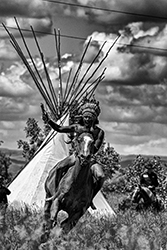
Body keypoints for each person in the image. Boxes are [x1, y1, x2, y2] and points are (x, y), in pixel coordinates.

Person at [41, 99, 105, 209]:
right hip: (76, 157)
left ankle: (90, 198)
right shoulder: (77, 127)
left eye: (90, 117)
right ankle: (56, 193)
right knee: (59, 167)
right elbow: (60, 128)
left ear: (94, 118)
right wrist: (49, 121)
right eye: (85, 117)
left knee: (101, 176)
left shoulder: (98, 132)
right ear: (83, 117)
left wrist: (87, 145)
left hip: (90, 159)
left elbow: (95, 149)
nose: (87, 119)